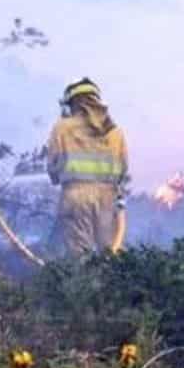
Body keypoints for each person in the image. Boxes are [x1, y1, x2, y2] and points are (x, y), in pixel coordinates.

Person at [45, 78, 129, 256]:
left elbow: (52, 169)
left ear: (73, 103)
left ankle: (83, 275)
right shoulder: (115, 132)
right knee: (111, 254)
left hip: (75, 197)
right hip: (108, 198)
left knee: (80, 256)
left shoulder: (62, 128)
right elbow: (123, 170)